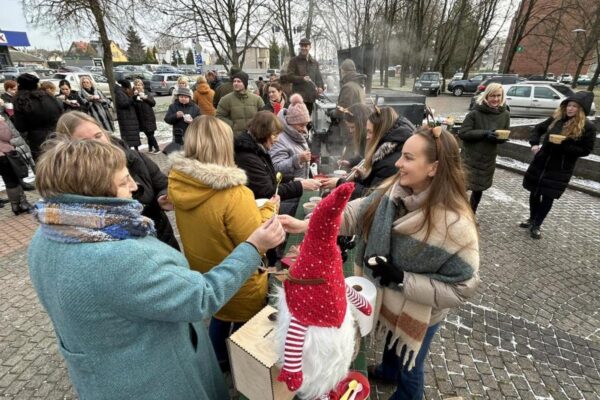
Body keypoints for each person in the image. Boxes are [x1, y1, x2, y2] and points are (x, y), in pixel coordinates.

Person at [28, 139, 285, 400]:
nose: (134, 186)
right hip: (154, 381)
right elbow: (201, 297)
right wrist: (254, 247)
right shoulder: (118, 255)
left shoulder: (49, 234)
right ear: (94, 191)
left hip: (101, 376)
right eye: (123, 181)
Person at [279, 126, 480, 400]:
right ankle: (387, 370)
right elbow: (358, 211)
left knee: (411, 363)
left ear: (433, 168)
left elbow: (461, 288)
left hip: (420, 311)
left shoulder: (456, 224)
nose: (398, 163)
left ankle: (407, 394)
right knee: (389, 340)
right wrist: (308, 225)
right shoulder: (394, 191)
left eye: (408, 158)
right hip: (391, 296)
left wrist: (401, 278)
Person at [168, 115, 279, 372]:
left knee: (218, 316)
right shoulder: (234, 194)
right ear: (223, 146)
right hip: (237, 279)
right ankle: (243, 368)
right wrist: (269, 209)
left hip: (205, 273)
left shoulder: (180, 182)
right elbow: (255, 240)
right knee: (245, 329)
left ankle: (215, 362)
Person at [55, 111, 180, 249]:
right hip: (127, 248)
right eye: (85, 142)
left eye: (98, 135)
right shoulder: (74, 183)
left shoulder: (134, 157)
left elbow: (161, 183)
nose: (97, 144)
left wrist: (162, 196)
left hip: (162, 236)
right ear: (68, 148)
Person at [521, 91, 596, 239]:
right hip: (542, 162)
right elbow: (537, 129)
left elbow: (586, 150)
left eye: (575, 106)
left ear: (581, 110)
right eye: (569, 105)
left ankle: (537, 224)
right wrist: (535, 143)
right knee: (534, 192)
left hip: (560, 167)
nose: (570, 109)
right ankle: (531, 218)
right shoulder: (556, 119)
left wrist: (564, 145)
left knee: (548, 196)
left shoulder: (588, 127)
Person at [323, 106, 414, 199]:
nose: (367, 136)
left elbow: (371, 197)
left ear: (380, 132)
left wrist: (340, 184)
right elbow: (374, 182)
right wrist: (363, 177)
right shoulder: (384, 150)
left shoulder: (390, 161)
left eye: (370, 132)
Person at [235, 111, 321, 202]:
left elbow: (268, 175)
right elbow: (267, 191)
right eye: (275, 135)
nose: (277, 140)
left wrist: (292, 179)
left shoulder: (256, 149)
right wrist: (300, 185)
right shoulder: (248, 157)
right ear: (263, 133)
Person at [458, 82, 510, 213]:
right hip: (469, 158)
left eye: (498, 95)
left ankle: (471, 213)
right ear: (486, 96)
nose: (496, 99)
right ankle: (456, 212)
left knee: (479, 189)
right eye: (492, 96)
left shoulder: (505, 115)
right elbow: (463, 133)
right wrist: (484, 133)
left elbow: (504, 133)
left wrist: (501, 139)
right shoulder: (475, 113)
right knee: (461, 188)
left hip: (487, 159)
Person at [13, 73, 62, 162]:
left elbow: (20, 126)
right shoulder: (48, 96)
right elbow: (60, 112)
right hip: (58, 134)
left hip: (38, 140)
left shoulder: (21, 101)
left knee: (46, 167)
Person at [270, 94, 313, 180]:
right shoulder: (279, 139)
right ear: (290, 123)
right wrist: (298, 159)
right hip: (288, 189)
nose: (304, 129)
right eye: (301, 125)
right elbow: (275, 168)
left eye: (306, 125)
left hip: (301, 186)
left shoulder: (296, 133)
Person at [216, 70, 265, 137]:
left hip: (253, 137)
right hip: (235, 138)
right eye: (234, 81)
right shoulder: (225, 99)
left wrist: (256, 126)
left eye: (239, 81)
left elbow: (264, 116)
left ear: (245, 83)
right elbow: (219, 116)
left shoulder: (257, 99)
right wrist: (233, 125)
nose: (236, 83)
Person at [0, 118, 32, 214]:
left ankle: (15, 205)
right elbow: (7, 136)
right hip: (5, 154)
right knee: (15, 179)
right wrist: (2, 122)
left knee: (8, 180)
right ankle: (23, 203)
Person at [285, 38, 324, 115]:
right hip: (298, 98)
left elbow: (318, 77)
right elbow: (289, 77)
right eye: (302, 46)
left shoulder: (314, 63)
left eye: (305, 46)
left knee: (307, 121)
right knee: (298, 122)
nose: (303, 48)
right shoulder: (294, 61)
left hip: (310, 98)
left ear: (310, 47)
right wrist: (302, 78)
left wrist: (320, 87)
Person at [132, 78, 160, 154]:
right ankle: (151, 148)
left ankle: (156, 148)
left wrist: (145, 98)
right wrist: (134, 97)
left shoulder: (147, 93)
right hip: (141, 118)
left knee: (150, 133)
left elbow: (153, 103)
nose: (138, 86)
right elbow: (132, 105)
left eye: (139, 85)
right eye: (136, 85)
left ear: (142, 86)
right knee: (148, 133)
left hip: (149, 116)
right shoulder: (134, 95)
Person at [114, 80, 141, 151]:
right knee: (128, 137)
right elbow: (123, 104)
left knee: (133, 136)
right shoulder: (120, 93)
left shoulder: (124, 92)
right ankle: (130, 152)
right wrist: (133, 98)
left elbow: (130, 102)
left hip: (130, 117)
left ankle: (136, 150)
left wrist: (135, 98)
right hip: (126, 119)